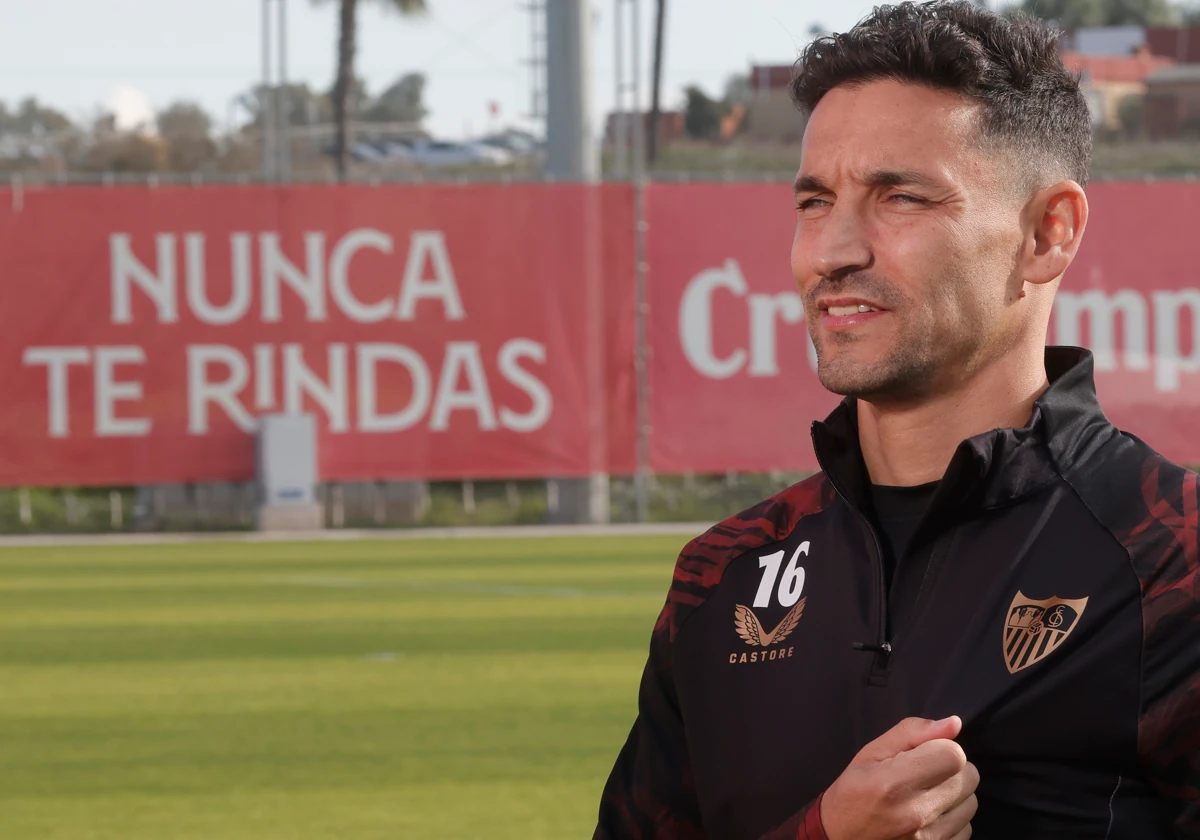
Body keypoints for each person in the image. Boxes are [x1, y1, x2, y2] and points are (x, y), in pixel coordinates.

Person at [593, 2, 1200, 838]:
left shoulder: (1176, 562)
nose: (833, 250)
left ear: (1047, 233)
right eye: (813, 202)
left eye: (901, 197)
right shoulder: (721, 577)